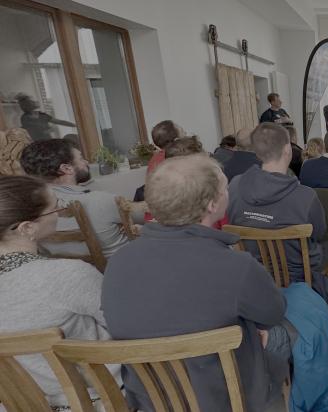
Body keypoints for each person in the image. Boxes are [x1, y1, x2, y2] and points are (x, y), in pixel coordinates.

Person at [102, 154, 288, 412]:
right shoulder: (236, 265)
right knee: (281, 333)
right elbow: (273, 312)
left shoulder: (118, 261)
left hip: (151, 397)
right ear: (212, 204)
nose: (228, 192)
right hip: (222, 396)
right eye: (225, 188)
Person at [0, 175, 120, 408]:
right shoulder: (67, 275)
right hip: (99, 399)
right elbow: (126, 327)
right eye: (54, 208)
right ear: (27, 228)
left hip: (21, 405)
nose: (61, 211)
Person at [226, 123, 328, 316]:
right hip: (298, 270)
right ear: (287, 150)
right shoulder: (305, 196)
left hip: (255, 267)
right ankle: (319, 292)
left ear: (257, 152)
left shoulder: (234, 186)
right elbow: (319, 232)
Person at [20, 139, 130, 258]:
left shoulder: (26, 209)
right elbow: (147, 217)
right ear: (67, 169)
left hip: (68, 272)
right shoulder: (99, 199)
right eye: (81, 158)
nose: (86, 161)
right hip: (123, 269)